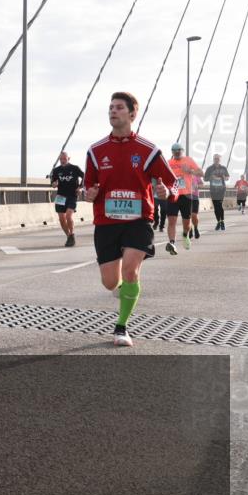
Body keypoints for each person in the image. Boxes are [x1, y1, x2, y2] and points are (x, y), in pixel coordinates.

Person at [83, 92, 175, 347]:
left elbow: (173, 183)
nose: (113, 111)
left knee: (131, 272)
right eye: (110, 107)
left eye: (119, 107)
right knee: (110, 282)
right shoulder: (95, 150)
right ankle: (121, 290)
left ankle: (121, 327)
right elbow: (86, 186)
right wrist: (88, 194)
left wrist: (167, 192)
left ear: (133, 114)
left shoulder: (148, 150)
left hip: (139, 220)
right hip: (106, 222)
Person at [165, 143, 202, 254]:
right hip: (173, 195)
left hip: (186, 196)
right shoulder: (168, 163)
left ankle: (186, 235)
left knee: (187, 223)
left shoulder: (188, 160)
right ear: (172, 152)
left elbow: (201, 173)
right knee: (172, 221)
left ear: (183, 150)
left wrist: (190, 171)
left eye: (179, 150)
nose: (177, 152)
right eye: (174, 150)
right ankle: (172, 243)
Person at [49, 152, 84, 246]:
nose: (62, 161)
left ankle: (72, 233)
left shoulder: (75, 168)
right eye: (61, 159)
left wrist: (80, 187)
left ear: (69, 158)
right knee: (61, 219)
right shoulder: (56, 170)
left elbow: (84, 176)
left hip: (72, 195)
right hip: (60, 196)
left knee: (68, 216)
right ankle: (69, 236)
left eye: (64, 159)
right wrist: (54, 184)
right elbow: (52, 182)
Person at [203, 154, 230, 230]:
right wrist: (211, 177)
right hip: (213, 190)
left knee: (220, 205)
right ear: (213, 159)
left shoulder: (223, 168)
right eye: (215, 158)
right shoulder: (209, 168)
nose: (216, 160)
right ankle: (219, 222)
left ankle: (222, 222)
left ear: (220, 159)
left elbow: (227, 177)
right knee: (216, 207)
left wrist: (225, 178)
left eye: (218, 158)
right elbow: (205, 179)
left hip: (221, 189)